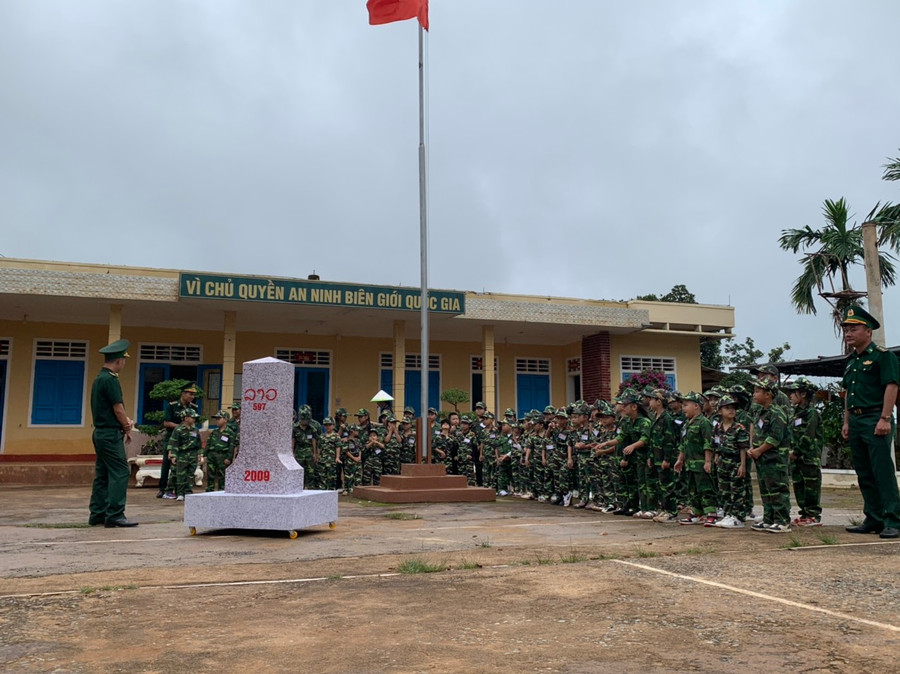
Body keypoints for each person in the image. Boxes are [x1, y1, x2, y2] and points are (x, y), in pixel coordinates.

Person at [841, 305, 900, 539]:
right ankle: (873, 518)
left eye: (853, 328)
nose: (848, 333)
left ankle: (893, 520)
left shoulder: (883, 356)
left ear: (868, 331)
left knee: (882, 471)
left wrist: (885, 417)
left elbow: (892, 386)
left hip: (875, 417)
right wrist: (846, 422)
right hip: (856, 420)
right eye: (846, 329)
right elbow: (848, 394)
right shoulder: (851, 361)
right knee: (864, 472)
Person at [88, 339, 138, 528]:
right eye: (123, 360)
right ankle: (115, 514)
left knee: (103, 474)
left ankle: (97, 514)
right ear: (119, 361)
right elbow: (118, 408)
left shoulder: (99, 378)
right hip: (110, 434)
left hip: (100, 432)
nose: (124, 364)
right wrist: (127, 426)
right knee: (121, 472)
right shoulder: (110, 379)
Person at [747, 379, 791, 533]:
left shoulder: (777, 413)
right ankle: (769, 519)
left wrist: (759, 450)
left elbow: (775, 437)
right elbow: (758, 433)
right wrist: (753, 448)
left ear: (768, 395)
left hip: (775, 459)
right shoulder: (760, 412)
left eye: (757, 391)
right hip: (762, 458)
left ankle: (782, 521)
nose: (754, 395)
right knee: (766, 490)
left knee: (777, 489)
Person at [783, 377, 823, 526]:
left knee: (811, 487)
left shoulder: (811, 413)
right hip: (796, 458)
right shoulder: (795, 413)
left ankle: (813, 515)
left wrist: (797, 452)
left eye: (794, 392)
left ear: (804, 394)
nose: (790, 396)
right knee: (799, 486)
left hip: (808, 457)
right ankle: (804, 514)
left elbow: (808, 435)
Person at [158, 383, 199, 499]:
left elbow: (194, 424)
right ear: (183, 394)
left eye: (193, 395)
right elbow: (166, 422)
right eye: (190, 394)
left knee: (184, 466)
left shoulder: (193, 407)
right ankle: (163, 489)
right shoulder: (172, 406)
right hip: (173, 438)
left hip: (187, 441)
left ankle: (181, 490)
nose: (192, 397)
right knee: (167, 463)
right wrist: (181, 428)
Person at [167, 409, 202, 501]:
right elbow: (174, 443)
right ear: (186, 418)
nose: (194, 419)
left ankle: (188, 492)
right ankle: (180, 493)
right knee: (181, 474)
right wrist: (173, 455)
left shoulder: (195, 430)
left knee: (190, 474)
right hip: (182, 454)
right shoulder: (178, 429)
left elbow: (198, 443)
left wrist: (199, 454)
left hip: (193, 454)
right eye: (192, 417)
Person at [203, 410, 236, 492]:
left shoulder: (230, 433)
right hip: (212, 455)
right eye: (216, 419)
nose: (217, 421)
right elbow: (208, 444)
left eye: (219, 418)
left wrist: (229, 458)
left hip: (222, 456)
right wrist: (205, 455)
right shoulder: (214, 432)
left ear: (225, 419)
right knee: (210, 475)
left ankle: (221, 491)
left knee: (222, 476)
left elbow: (231, 446)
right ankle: (209, 491)